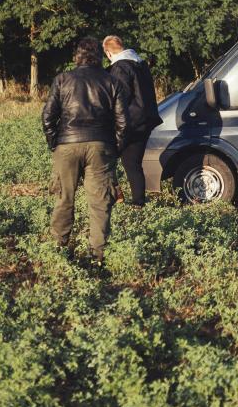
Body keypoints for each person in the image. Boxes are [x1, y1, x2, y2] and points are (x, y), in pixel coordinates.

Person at [42, 36, 127, 261]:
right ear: (99, 57)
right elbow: (123, 122)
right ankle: (97, 256)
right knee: (100, 203)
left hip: (67, 145)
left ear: (77, 56)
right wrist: (114, 149)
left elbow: (48, 117)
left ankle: (59, 249)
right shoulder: (112, 82)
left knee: (64, 198)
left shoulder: (62, 79)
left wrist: (55, 143)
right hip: (101, 146)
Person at [102, 35, 163, 206]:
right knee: (132, 163)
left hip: (130, 123)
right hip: (146, 120)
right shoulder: (140, 64)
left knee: (106, 157)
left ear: (108, 52)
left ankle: (120, 197)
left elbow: (120, 98)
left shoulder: (120, 67)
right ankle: (137, 203)